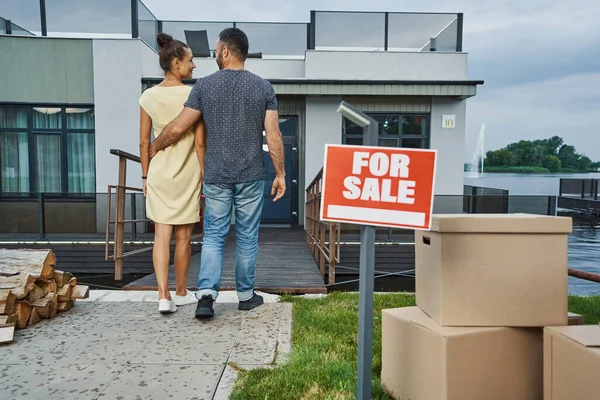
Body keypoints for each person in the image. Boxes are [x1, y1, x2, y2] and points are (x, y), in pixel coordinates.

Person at [149, 27, 286, 319]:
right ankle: (246, 296)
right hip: (251, 175)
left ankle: (206, 297)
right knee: (248, 237)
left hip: (216, 175)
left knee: (213, 236)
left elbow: (176, 128)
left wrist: (152, 148)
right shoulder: (263, 87)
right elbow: (273, 135)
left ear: (225, 51)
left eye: (216, 49)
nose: (214, 54)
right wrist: (281, 174)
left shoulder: (204, 86)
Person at [139, 33, 205, 314]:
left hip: (158, 174)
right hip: (187, 174)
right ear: (176, 63)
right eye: (190, 61)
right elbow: (201, 142)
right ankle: (180, 292)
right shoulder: (194, 95)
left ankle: (162, 296)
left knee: (161, 236)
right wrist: (204, 176)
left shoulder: (148, 96)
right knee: (184, 237)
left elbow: (144, 142)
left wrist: (144, 176)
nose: (194, 66)